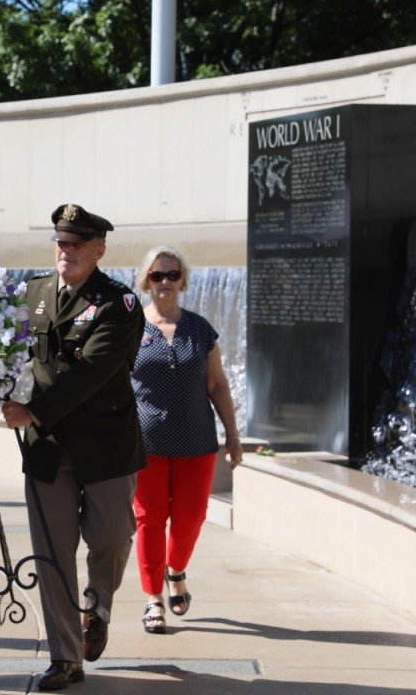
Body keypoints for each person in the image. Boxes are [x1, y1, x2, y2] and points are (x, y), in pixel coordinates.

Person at [1, 204, 146, 691]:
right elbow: (2, 347)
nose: (65, 252)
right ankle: (66, 658)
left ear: (99, 250)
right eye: (60, 243)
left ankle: (97, 605)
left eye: (76, 245)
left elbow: (91, 373)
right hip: (47, 448)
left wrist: (32, 410)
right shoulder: (34, 292)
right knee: (51, 555)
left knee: (110, 538)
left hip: (105, 442)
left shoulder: (119, 304)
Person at [130, 246, 242, 633]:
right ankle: (153, 599)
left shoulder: (200, 328)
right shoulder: (130, 328)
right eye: (157, 275)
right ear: (146, 280)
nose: (165, 282)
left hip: (197, 440)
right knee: (149, 520)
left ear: (182, 280)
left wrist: (233, 434)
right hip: (146, 443)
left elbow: (217, 384)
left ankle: (175, 571)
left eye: (172, 275)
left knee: (191, 517)